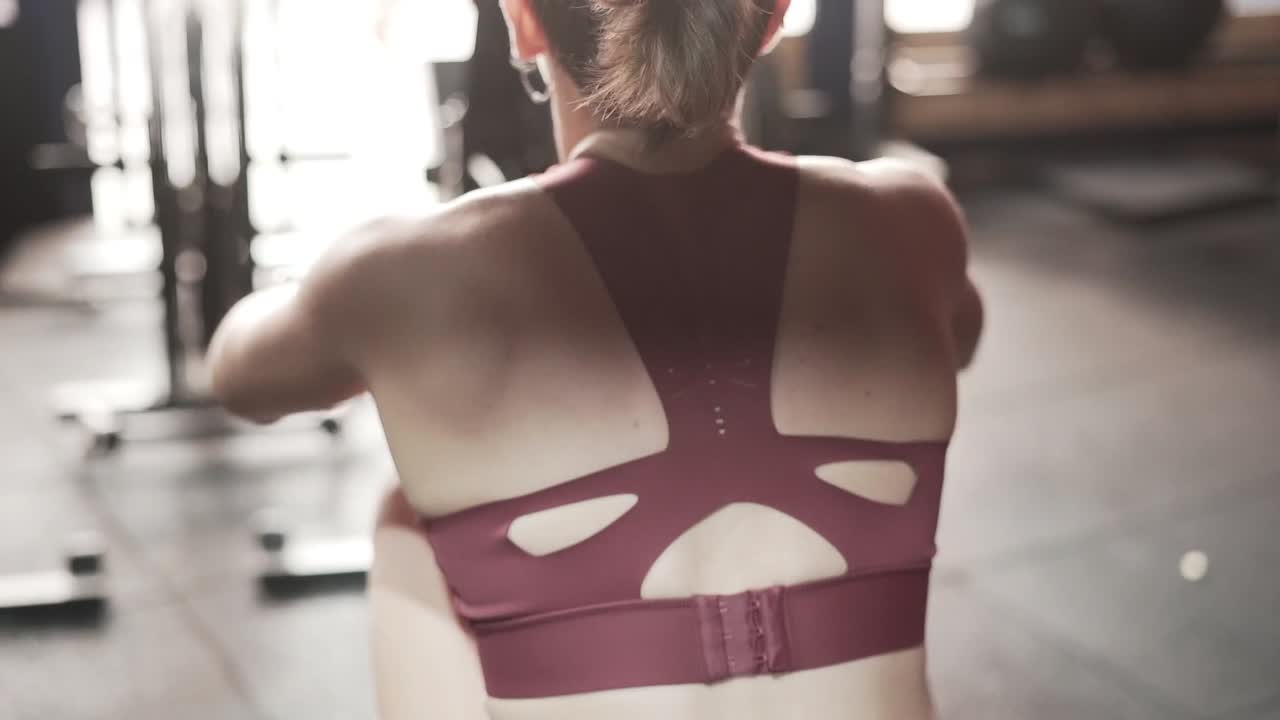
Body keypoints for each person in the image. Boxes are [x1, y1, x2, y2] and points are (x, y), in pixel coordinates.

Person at [208, 0, 984, 718]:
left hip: (403, 289)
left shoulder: (401, 271)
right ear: (775, 16)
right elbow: (962, 339)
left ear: (523, 23)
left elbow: (237, 376)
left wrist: (356, 297)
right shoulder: (909, 218)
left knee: (411, 509)